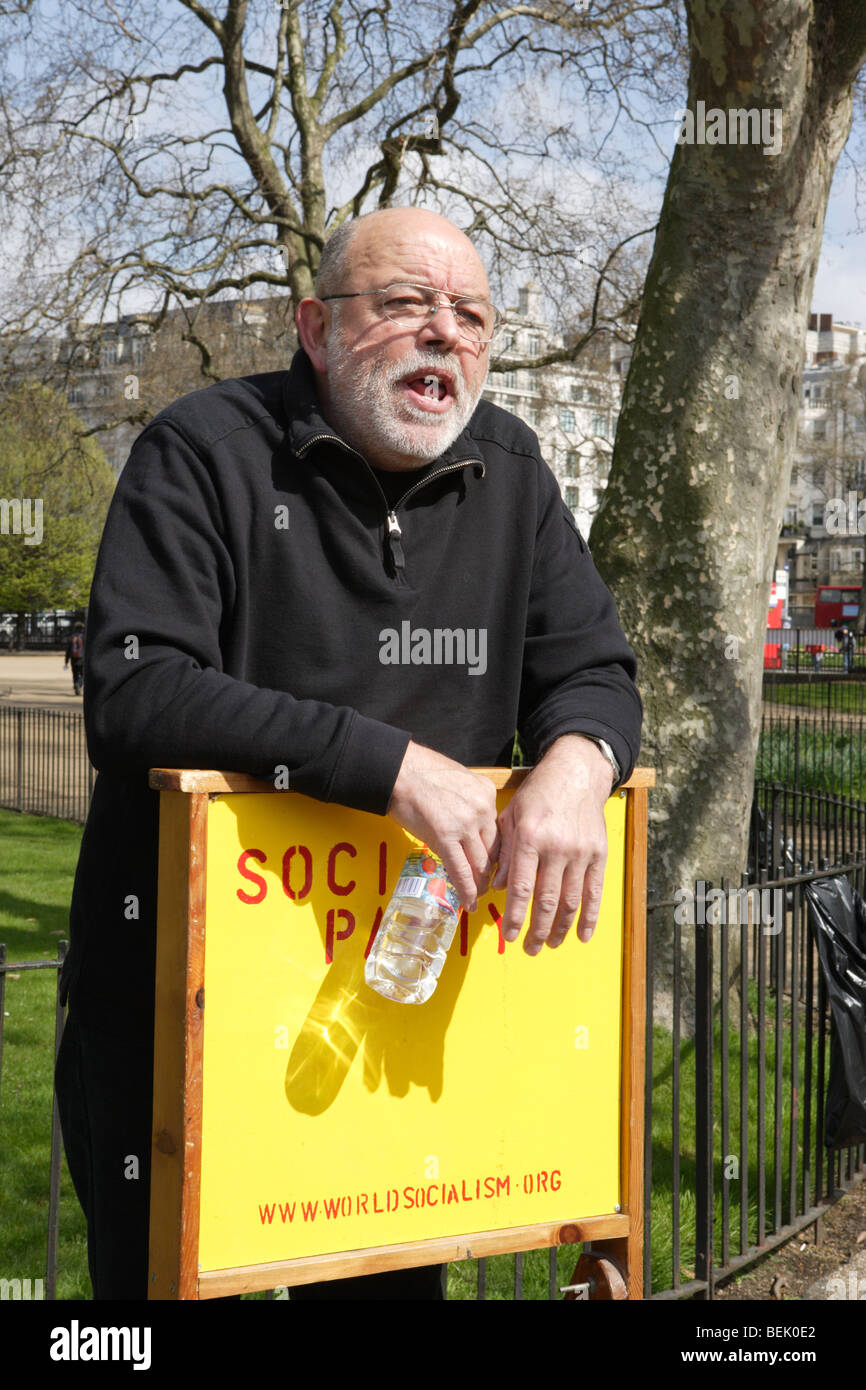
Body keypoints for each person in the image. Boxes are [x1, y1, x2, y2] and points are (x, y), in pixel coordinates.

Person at [54, 206, 642, 1301]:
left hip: (392, 1001)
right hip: (179, 1004)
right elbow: (137, 691)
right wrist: (393, 767)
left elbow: (595, 671)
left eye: (470, 315)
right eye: (408, 303)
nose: (445, 332)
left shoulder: (514, 471)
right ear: (317, 329)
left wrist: (577, 763)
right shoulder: (200, 450)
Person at [63, 621, 85, 695]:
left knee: (75, 674)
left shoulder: (72, 637)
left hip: (73, 659)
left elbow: (68, 650)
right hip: (82, 659)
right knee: (83, 674)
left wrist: (66, 661)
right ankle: (79, 683)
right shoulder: (84, 637)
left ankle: (76, 683)